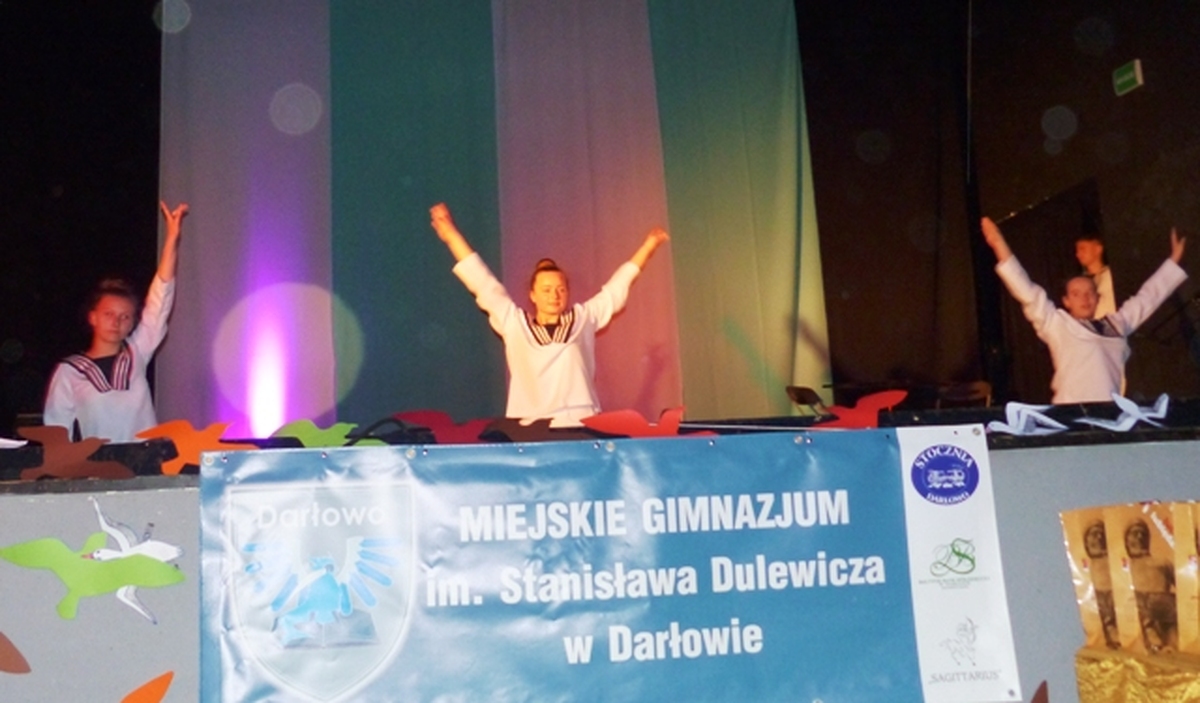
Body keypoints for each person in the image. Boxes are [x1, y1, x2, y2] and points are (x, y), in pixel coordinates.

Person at [431, 202, 668, 427]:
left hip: (580, 422)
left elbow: (616, 288)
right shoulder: (514, 323)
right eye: (546, 290)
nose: (554, 295)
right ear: (532, 295)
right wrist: (451, 234)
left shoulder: (582, 319)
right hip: (529, 426)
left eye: (560, 289)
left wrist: (648, 246)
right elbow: (481, 281)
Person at [981, 216, 1186, 403]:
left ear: (1098, 298)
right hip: (1071, 412)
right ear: (1066, 301)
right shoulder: (1057, 324)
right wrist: (999, 244)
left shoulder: (1117, 324)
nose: (1084, 298)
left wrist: (1174, 260)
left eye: (1089, 293)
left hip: (1108, 413)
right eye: (1076, 294)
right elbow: (1027, 291)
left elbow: (1148, 298)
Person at [43, 201, 189, 441]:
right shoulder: (69, 371)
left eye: (125, 316)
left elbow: (160, 299)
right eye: (109, 314)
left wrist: (172, 239)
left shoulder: (136, 352)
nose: (116, 322)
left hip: (147, 460)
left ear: (132, 324)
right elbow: (57, 433)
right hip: (98, 463)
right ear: (93, 317)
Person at [1075, 232, 1115, 318]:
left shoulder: (1111, 276)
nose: (1078, 254)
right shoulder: (1079, 281)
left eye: (1082, 249)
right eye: (1077, 250)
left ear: (1098, 249)